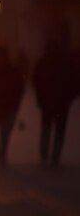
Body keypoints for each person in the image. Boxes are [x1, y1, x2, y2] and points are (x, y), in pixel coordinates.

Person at [32, 39, 77, 167]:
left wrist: (40, 97)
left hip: (48, 102)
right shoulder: (66, 63)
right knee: (59, 131)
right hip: (61, 103)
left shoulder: (42, 63)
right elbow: (75, 82)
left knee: (46, 129)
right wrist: (69, 98)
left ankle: (44, 156)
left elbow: (36, 81)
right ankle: (54, 158)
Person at [0, 44, 24, 164]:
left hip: (7, 105)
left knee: (4, 133)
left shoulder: (12, 71)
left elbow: (19, 88)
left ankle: (1, 153)